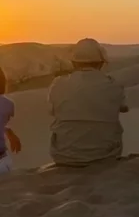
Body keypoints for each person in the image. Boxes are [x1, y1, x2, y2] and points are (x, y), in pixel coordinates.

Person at [48, 38, 129, 167]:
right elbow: (124, 108)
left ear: (74, 62)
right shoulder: (113, 84)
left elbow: (52, 111)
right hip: (105, 156)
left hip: (64, 156)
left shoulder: (58, 84)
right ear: (101, 63)